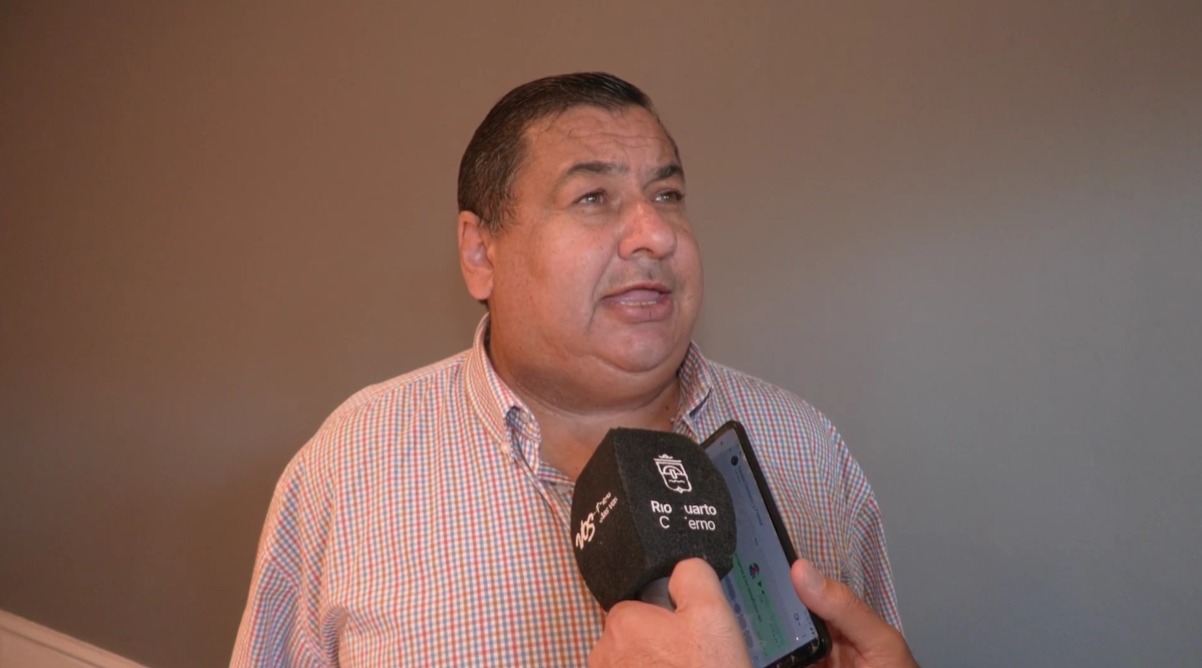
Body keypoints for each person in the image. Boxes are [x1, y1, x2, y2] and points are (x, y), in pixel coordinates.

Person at [231, 72, 903, 666]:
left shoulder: (807, 448)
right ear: (480, 252)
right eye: (592, 198)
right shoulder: (349, 465)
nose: (656, 233)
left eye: (668, 194)